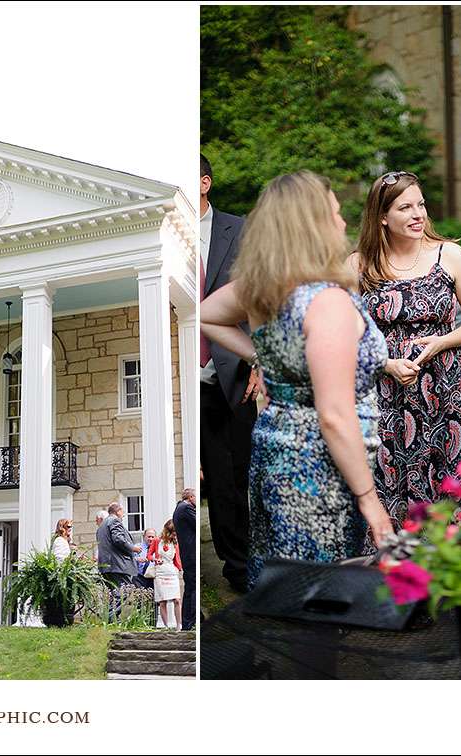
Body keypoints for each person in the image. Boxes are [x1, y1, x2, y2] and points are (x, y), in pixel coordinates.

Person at [201, 170, 396, 589]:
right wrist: (370, 502)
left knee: (286, 589)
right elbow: (334, 415)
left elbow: (208, 314)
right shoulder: (325, 303)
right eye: (336, 213)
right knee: (320, 592)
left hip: (275, 453)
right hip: (320, 468)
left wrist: (265, 358)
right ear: (314, 225)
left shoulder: (263, 290)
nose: (343, 223)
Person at [353, 171, 461, 545]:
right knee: (387, 478)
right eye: (405, 207)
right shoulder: (359, 266)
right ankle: (395, 576)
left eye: (421, 205)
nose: (418, 215)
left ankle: (455, 573)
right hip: (385, 395)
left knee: (449, 478)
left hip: (444, 391)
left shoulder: (452, 256)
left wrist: (441, 342)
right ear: (382, 216)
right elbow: (345, 336)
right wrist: (385, 363)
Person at [200, 153, 260, 594]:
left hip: (233, 369)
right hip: (184, 376)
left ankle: (248, 559)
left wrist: (259, 358)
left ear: (205, 183)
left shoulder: (238, 230)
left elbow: (258, 299)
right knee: (214, 478)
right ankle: (234, 562)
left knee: (240, 472)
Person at [96, 501, 141, 619]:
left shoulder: (102, 526)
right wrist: (134, 548)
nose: (124, 515)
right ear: (118, 511)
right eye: (123, 512)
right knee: (123, 593)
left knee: (113, 594)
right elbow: (118, 539)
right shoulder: (114, 521)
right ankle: (109, 619)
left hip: (106, 566)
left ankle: (108, 619)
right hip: (118, 565)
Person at [148, 519, 183, 631]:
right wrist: (154, 559)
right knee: (162, 601)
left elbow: (177, 558)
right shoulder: (157, 541)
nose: (175, 534)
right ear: (167, 531)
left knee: (177, 599)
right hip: (160, 572)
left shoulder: (175, 542)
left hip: (172, 572)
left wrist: (181, 569)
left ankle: (179, 625)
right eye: (173, 532)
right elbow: (149, 555)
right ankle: (167, 626)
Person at [173, 488, 197, 630]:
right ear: (190, 497)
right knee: (192, 588)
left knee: (189, 589)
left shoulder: (178, 508)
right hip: (191, 554)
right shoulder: (186, 508)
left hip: (187, 554)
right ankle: (192, 621)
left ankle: (187, 623)